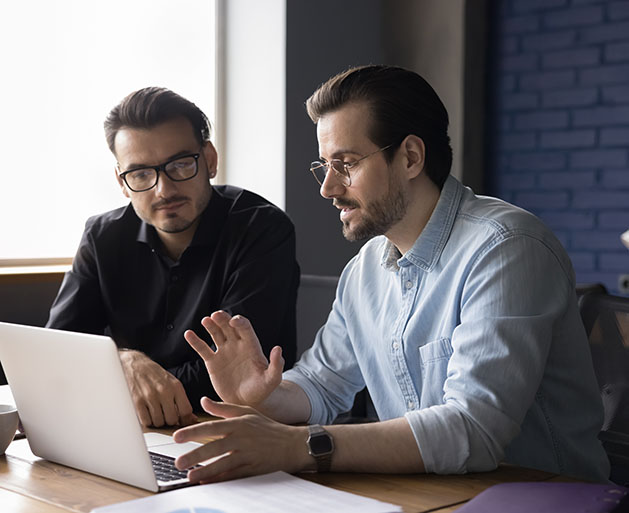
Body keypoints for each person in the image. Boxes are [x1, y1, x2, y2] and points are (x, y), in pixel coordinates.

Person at [172, 65, 610, 483]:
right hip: (430, 494)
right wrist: (263, 396)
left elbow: (474, 430)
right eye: (323, 167)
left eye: (345, 164)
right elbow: (324, 386)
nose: (328, 187)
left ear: (411, 157)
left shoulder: (508, 247)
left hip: (547, 497)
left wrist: (299, 445)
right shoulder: (365, 269)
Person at [46, 87, 299, 428]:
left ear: (209, 160)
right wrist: (122, 362)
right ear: (122, 183)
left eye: (180, 164)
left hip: (242, 428)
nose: (163, 189)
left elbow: (240, 371)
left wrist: (123, 384)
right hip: (131, 429)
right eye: (140, 174)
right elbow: (57, 350)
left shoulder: (262, 228)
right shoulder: (101, 236)